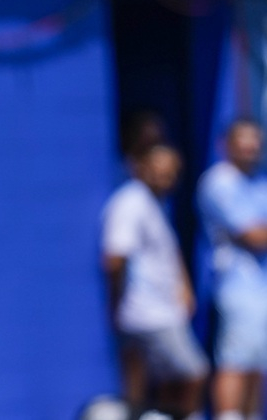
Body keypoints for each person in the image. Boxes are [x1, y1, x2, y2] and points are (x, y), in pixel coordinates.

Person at [101, 144, 209, 420]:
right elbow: (115, 259)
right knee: (193, 373)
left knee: (162, 381)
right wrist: (117, 304)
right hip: (145, 311)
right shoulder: (131, 203)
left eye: (172, 173)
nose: (166, 178)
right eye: (159, 171)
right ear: (141, 168)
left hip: (161, 309)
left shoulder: (156, 204)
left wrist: (183, 288)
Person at [197, 118, 267, 420]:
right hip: (237, 287)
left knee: (257, 363)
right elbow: (253, 237)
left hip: (261, 287)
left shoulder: (259, 181)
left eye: (255, 140)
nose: (250, 147)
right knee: (235, 361)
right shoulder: (219, 182)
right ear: (226, 145)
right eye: (243, 140)